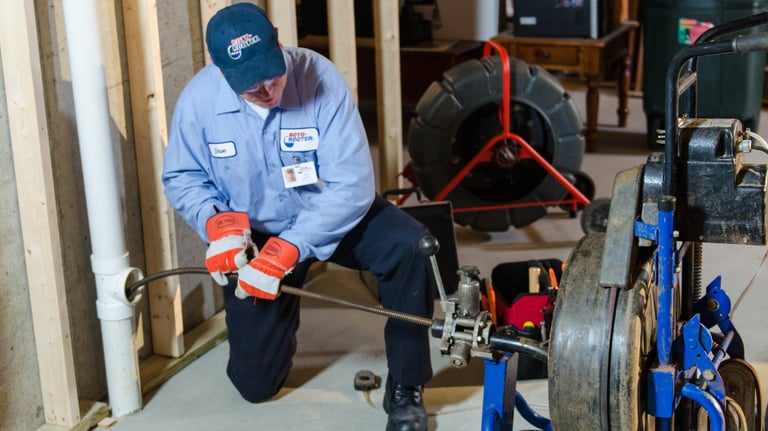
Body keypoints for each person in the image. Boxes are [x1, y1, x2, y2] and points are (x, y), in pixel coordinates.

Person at [162, 3, 435, 430]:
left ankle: (407, 383)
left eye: (273, 75)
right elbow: (183, 175)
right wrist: (217, 224)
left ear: (279, 40)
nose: (269, 91)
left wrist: (292, 247)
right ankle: (273, 324)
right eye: (253, 88)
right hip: (253, 235)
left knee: (408, 245)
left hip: (329, 213)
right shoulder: (199, 101)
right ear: (220, 72)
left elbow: (353, 185)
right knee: (255, 386)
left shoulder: (320, 78)